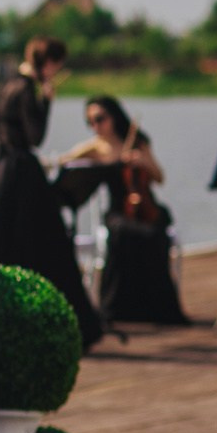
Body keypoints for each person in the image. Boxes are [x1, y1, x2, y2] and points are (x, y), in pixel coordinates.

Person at [0, 37, 103, 348]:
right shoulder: (28, 89)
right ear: (49, 64)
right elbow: (35, 138)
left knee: (0, 246)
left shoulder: (7, 84)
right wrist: (47, 100)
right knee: (48, 248)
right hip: (21, 173)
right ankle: (68, 322)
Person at [60, 95, 189, 325]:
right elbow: (65, 161)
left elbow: (159, 177)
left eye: (100, 119)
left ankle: (157, 306)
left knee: (154, 234)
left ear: (114, 116)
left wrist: (142, 162)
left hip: (146, 206)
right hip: (118, 209)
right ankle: (119, 307)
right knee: (122, 234)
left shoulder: (138, 141)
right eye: (90, 122)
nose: (96, 126)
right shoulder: (95, 147)